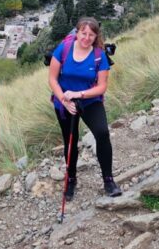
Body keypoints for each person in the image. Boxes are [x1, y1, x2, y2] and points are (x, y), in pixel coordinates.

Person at [48, 17, 121, 200]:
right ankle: (71, 179)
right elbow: (52, 79)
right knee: (70, 141)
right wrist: (64, 100)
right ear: (77, 32)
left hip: (89, 100)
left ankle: (108, 179)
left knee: (102, 133)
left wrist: (78, 95)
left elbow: (101, 87)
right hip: (65, 101)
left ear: (95, 36)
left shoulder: (99, 55)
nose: (86, 38)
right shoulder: (64, 49)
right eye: (83, 33)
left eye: (91, 34)